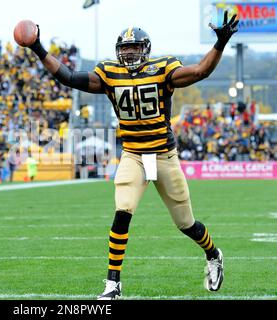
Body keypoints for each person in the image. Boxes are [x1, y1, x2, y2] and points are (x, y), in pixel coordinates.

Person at [25, 10, 238, 299]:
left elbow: (200, 70)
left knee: (185, 223)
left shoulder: (163, 68)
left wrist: (220, 44)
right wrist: (38, 47)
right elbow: (69, 77)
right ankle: (113, 284)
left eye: (134, 47)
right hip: (134, 155)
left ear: (145, 49)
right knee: (122, 211)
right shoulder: (110, 74)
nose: (129, 53)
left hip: (163, 155)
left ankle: (213, 253)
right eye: (124, 48)